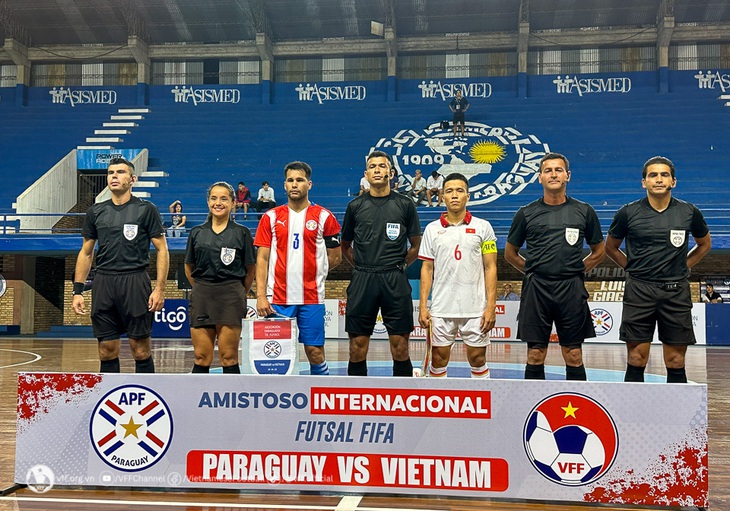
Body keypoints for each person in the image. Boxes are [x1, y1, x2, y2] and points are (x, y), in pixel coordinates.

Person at [606, 156, 712, 383]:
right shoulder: (627, 213)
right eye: (653, 175)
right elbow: (611, 248)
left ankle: (676, 417)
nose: (659, 179)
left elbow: (704, 244)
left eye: (664, 175)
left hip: (676, 292)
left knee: (675, 360)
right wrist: (632, 268)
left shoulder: (689, 212)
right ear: (643, 182)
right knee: (636, 357)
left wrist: (684, 264)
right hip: (639, 291)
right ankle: (631, 415)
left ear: (673, 181)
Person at [505, 152, 605, 381]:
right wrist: (533, 271)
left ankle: (578, 409)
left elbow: (599, 251)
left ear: (567, 176)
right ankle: (532, 409)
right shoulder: (526, 213)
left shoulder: (584, 211)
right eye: (548, 170)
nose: (553, 174)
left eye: (558, 170)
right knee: (535, 353)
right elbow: (510, 254)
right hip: (536, 289)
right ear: (539, 177)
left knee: (573, 354)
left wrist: (577, 270)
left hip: (571, 289)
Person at [72, 157, 169, 373]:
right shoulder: (95, 212)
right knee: (106, 349)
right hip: (104, 281)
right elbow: (86, 252)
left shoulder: (146, 209)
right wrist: (77, 291)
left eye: (120, 172)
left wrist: (160, 288)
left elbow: (162, 249)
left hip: (135, 280)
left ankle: (146, 399)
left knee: (140, 349)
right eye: (110, 172)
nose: (114, 176)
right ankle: (110, 400)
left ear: (132, 179)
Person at [254, 161, 342, 375]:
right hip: (278, 299)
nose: (295, 184)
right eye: (291, 180)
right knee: (277, 354)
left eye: (300, 180)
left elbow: (336, 257)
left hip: (312, 298)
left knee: (314, 351)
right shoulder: (270, 217)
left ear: (309, 184)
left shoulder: (324, 217)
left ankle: (321, 397)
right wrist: (260, 296)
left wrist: (314, 273)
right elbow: (262, 259)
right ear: (284, 185)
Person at [342, 150, 421, 377]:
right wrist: (362, 266)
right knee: (357, 347)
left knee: (400, 347)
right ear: (366, 174)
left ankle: (403, 402)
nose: (377, 170)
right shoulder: (355, 206)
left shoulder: (405, 205)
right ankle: (357, 405)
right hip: (363, 279)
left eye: (382, 166)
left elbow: (415, 245)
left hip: (394, 279)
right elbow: (345, 245)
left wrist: (399, 265)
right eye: (373, 166)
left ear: (391, 172)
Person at [418, 172, 497, 378]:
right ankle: (439, 407)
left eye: (460, 191)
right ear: (442, 196)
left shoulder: (483, 227)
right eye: (450, 191)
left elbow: (491, 267)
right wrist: (424, 306)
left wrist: (490, 306)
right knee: (438, 360)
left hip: (475, 308)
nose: (454, 195)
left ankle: (481, 406)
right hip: (442, 309)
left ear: (468, 196)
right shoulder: (432, 230)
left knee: (478, 360)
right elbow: (427, 269)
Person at [184, 182, 255, 374]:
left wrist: (240, 292)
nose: (218, 203)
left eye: (224, 198)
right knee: (201, 357)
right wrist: (200, 287)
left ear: (233, 203)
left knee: (228, 357)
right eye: (214, 198)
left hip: (231, 295)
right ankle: (197, 403)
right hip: (202, 295)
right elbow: (188, 265)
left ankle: (231, 404)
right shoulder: (197, 232)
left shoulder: (241, 233)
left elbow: (251, 269)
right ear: (208, 202)